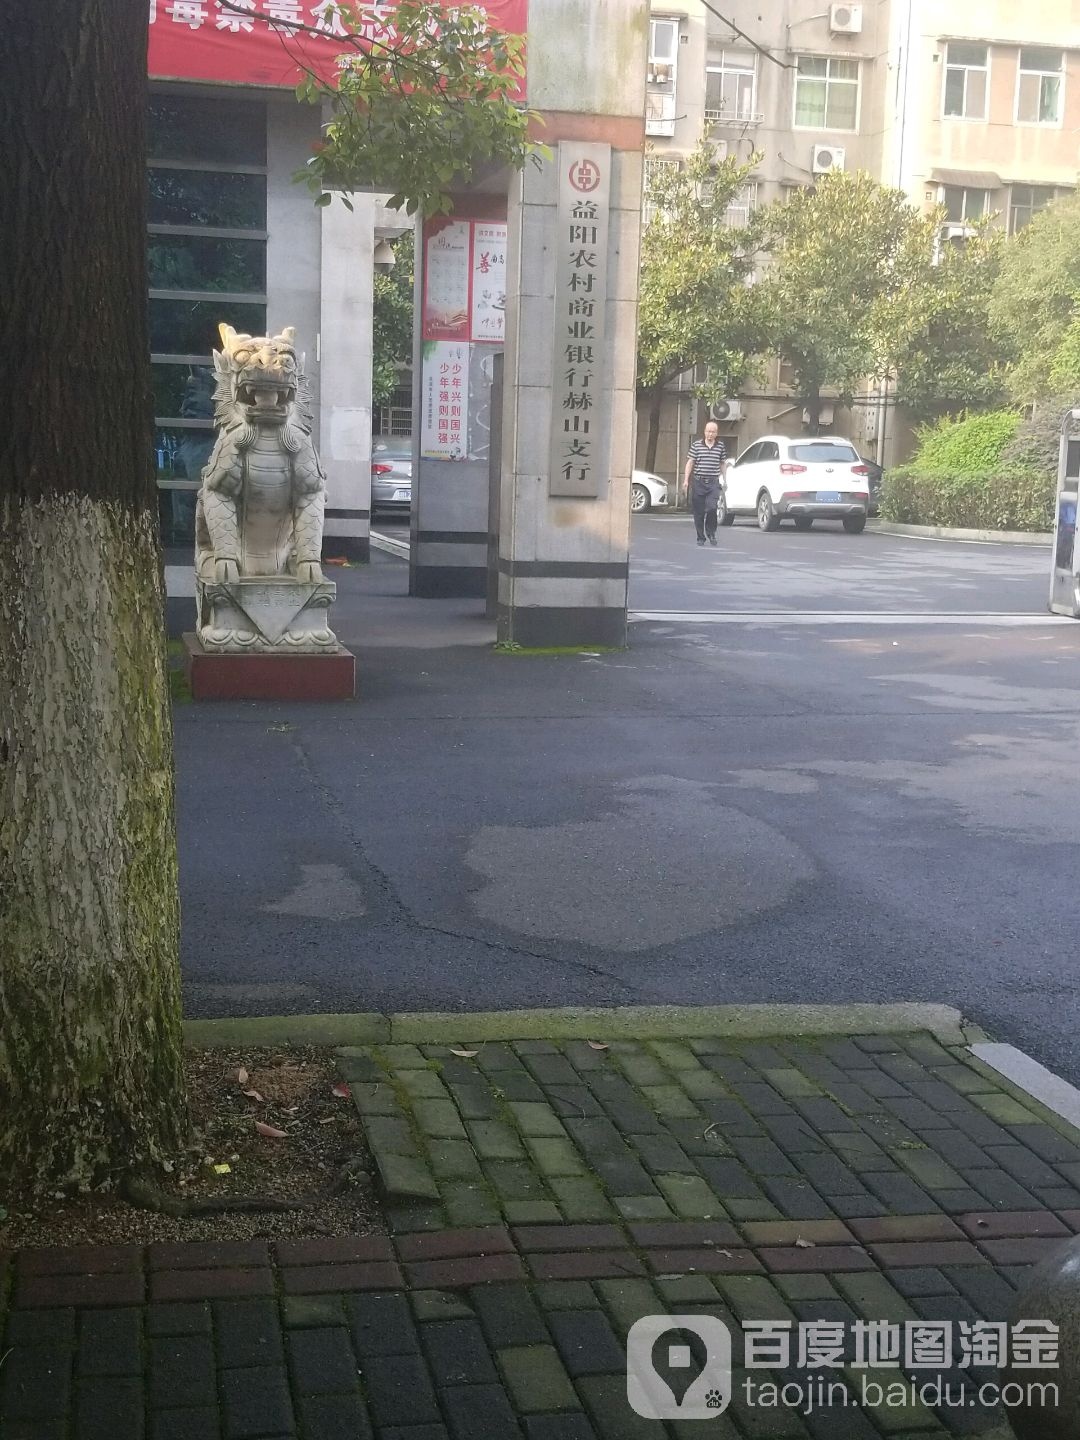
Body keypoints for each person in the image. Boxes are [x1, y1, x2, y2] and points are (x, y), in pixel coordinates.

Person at [683, 420, 727, 546]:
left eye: (713, 432)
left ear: (716, 433)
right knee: (699, 511)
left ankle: (711, 533)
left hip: (713, 482)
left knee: (712, 508)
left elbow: (723, 463)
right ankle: (700, 537)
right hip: (699, 481)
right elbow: (690, 462)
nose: (710, 434)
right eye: (708, 431)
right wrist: (686, 480)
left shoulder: (720, 446)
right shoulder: (696, 445)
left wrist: (725, 479)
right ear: (704, 432)